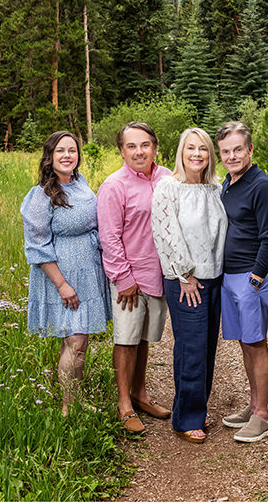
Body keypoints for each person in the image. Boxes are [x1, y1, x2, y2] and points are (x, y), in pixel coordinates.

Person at [21, 131, 111, 416]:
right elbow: (36, 245)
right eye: (61, 150)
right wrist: (62, 285)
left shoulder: (80, 183)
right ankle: (68, 407)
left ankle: (75, 399)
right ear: (50, 156)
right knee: (76, 340)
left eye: (72, 150)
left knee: (78, 340)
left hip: (87, 272)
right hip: (62, 277)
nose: (67, 156)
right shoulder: (41, 195)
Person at [150, 128, 228, 444]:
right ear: (181, 152)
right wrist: (185, 274)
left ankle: (195, 405)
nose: (197, 154)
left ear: (210, 154)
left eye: (203, 149)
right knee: (192, 347)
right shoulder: (169, 187)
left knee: (207, 347)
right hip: (187, 281)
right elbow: (165, 233)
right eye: (190, 148)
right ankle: (187, 419)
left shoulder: (215, 187)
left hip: (214, 277)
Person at [97, 121, 172, 434]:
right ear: (121, 151)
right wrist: (123, 278)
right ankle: (124, 403)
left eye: (145, 145)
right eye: (131, 146)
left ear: (155, 147)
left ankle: (140, 394)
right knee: (126, 340)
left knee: (144, 338)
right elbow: (109, 237)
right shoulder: (114, 186)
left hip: (159, 274)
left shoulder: (168, 177)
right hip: (129, 277)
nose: (139, 151)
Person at [216, 121, 268, 443]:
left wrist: (256, 277)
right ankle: (253, 404)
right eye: (226, 151)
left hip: (251, 277)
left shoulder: (262, 185)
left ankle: (263, 416)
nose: (232, 156)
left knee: (256, 343)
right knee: (244, 342)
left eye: (237, 149)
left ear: (250, 149)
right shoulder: (228, 183)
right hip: (230, 276)